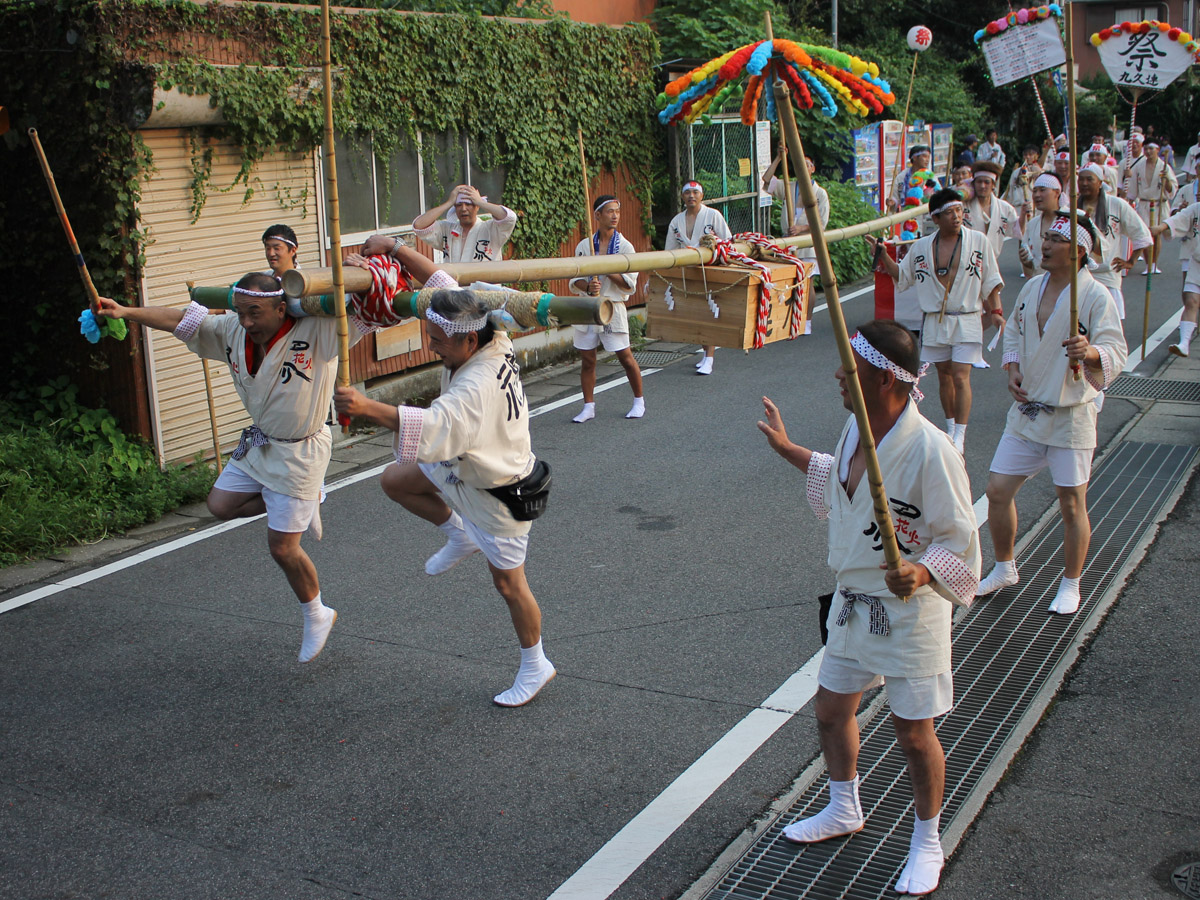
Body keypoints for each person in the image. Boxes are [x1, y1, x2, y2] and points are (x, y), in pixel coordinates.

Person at [92, 248, 428, 662]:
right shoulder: (233, 330)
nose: (247, 322)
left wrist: (369, 274)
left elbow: (378, 307)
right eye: (240, 312)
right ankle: (300, 502)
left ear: (278, 307)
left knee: (283, 548)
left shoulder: (319, 329)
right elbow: (181, 320)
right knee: (220, 505)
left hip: (302, 451)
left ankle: (317, 612)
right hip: (260, 442)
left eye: (255, 313)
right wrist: (126, 312)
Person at [757, 320, 980, 897]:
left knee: (913, 732)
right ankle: (843, 806)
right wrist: (788, 450)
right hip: (856, 603)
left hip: (912, 611)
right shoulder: (858, 425)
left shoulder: (933, 451)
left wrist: (924, 569)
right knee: (831, 711)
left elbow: (959, 542)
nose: (837, 376)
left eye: (849, 370)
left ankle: (927, 839)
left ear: (884, 380)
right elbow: (842, 480)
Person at [333, 268, 555, 707]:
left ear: (468, 341)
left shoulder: (475, 385)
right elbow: (444, 283)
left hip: (498, 493)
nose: (432, 346)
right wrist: (395, 250)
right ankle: (459, 533)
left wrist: (365, 406)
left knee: (510, 586)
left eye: (438, 340)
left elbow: (434, 425)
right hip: (464, 464)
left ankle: (536, 664)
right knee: (395, 480)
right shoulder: (491, 334)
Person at [977, 214, 1127, 614]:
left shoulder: (1095, 296)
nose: (1045, 244)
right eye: (1046, 236)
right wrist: (1012, 367)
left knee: (1071, 504)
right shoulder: (1031, 286)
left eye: (1057, 238)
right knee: (997, 491)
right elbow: (1013, 331)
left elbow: (1116, 350)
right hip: (1028, 411)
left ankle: (1071, 582)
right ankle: (1005, 566)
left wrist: (1091, 351)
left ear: (1079, 252)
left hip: (1070, 416)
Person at [868, 188, 1004, 454]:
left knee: (961, 375)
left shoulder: (978, 241)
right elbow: (903, 277)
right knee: (944, 375)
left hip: (967, 318)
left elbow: (991, 281)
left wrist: (996, 313)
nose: (956, 217)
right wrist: (883, 255)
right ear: (936, 218)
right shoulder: (920, 247)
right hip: (935, 321)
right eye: (949, 213)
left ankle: (960, 434)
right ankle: (951, 425)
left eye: (959, 211)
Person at [569, 195, 645, 422]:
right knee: (588, 359)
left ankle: (639, 400)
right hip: (588, 305)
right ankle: (588, 406)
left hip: (613, 305)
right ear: (597, 215)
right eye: (609, 212)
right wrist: (588, 285)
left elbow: (629, 284)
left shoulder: (625, 246)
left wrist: (606, 266)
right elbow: (574, 279)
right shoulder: (585, 245)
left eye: (617, 212)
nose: (614, 216)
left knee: (625, 356)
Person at [665, 180, 733, 373]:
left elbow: (727, 242)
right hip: (687, 272)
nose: (691, 196)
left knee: (708, 312)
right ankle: (705, 353)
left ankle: (710, 357)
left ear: (701, 196)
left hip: (708, 270)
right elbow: (670, 249)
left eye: (695, 192)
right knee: (695, 313)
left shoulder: (713, 215)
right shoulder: (676, 221)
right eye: (687, 193)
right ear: (682, 197)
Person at [764, 152, 829, 334]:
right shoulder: (789, 187)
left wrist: (801, 229)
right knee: (790, 282)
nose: (803, 168)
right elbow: (766, 180)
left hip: (808, 243)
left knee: (807, 282)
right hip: (788, 242)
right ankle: (790, 318)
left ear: (812, 169)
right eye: (800, 165)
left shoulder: (820, 193)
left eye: (807, 164)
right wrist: (779, 158)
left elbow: (822, 223)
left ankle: (806, 320)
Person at [1076, 164, 1152, 319]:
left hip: (1107, 275)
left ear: (1100, 182)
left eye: (1089, 179)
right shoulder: (1072, 207)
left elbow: (1141, 233)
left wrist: (1131, 261)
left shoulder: (1117, 204)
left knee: (1109, 326)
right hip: (1079, 275)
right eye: (1081, 179)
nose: (1084, 183)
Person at [1150, 185, 1200, 357]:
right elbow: (1178, 219)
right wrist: (1159, 228)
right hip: (1197, 262)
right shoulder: (1196, 209)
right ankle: (1184, 343)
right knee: (1191, 301)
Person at [413, 183, 516, 264]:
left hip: (484, 290)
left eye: (468, 204)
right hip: (454, 290)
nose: (463, 209)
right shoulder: (447, 230)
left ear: (477, 206)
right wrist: (449, 202)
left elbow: (509, 218)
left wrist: (480, 201)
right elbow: (419, 226)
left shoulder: (490, 229)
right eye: (458, 205)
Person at [1129, 142, 1178, 273]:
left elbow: (1172, 189)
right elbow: (1133, 187)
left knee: (1156, 234)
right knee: (1146, 234)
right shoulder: (1139, 166)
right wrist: (1129, 201)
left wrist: (1165, 180)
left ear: (1157, 150)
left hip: (1159, 203)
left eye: (1151, 149)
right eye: (1146, 149)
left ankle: (1154, 263)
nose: (1148, 151)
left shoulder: (1164, 167)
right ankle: (1148, 264)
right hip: (1144, 203)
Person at [964, 161, 1021, 262]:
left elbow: (1016, 230)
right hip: (967, 260)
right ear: (973, 183)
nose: (982, 186)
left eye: (987, 182)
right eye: (979, 182)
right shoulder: (963, 205)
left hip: (992, 262)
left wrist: (1024, 214)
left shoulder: (1005, 208)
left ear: (993, 185)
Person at [1018, 172, 1067, 279]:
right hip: (1041, 285)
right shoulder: (1032, 224)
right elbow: (1030, 269)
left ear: (1057, 192)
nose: (1037, 195)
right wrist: (1026, 262)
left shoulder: (1072, 219)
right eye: (1035, 191)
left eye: (1042, 190)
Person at [887, 145, 933, 213]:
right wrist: (892, 202)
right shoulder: (901, 177)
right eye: (924, 156)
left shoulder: (930, 176)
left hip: (925, 217)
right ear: (914, 157)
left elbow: (938, 197)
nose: (927, 160)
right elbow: (895, 198)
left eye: (928, 157)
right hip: (906, 217)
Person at [1003, 145, 1042, 211]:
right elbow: (1010, 190)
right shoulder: (1016, 172)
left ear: (1037, 156)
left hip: (1034, 208)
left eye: (1030, 154)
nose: (1027, 157)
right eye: (1025, 155)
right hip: (1017, 207)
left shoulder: (1041, 172)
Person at [1117, 132, 1144, 199]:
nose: (1134, 144)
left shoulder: (1145, 161)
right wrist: (1122, 193)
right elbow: (1118, 183)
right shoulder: (1123, 162)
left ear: (1141, 144)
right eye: (1132, 142)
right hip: (1126, 198)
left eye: (1137, 142)